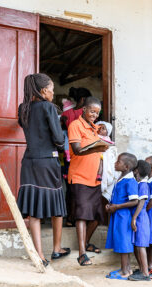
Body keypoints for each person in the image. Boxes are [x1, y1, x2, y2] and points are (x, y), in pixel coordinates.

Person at [16, 73, 69, 267]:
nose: (53, 93)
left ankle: (39, 254)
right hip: (48, 161)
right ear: (45, 90)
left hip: (29, 162)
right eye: (52, 89)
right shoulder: (48, 108)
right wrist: (62, 144)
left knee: (34, 210)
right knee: (57, 205)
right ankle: (56, 248)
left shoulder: (24, 108)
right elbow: (58, 138)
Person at [68, 96, 109, 266]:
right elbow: (76, 151)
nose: (94, 115)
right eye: (92, 111)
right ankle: (82, 254)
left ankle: (85, 243)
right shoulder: (75, 126)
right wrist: (96, 147)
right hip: (80, 177)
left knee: (98, 216)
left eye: (97, 113)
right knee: (82, 215)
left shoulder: (95, 128)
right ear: (83, 109)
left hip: (95, 179)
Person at [104, 153, 139, 280]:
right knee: (121, 241)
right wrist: (110, 205)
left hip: (124, 216)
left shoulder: (130, 181)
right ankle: (127, 268)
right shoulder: (121, 178)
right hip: (118, 215)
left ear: (126, 166)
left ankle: (125, 272)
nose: (115, 163)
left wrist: (116, 207)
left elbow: (135, 201)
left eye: (118, 162)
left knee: (124, 243)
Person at [131, 160, 151, 281]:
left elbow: (142, 202)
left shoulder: (143, 185)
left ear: (136, 171)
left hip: (141, 217)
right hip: (139, 216)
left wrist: (134, 218)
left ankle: (145, 274)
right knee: (138, 246)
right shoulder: (140, 183)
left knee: (141, 246)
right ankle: (142, 269)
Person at [96, 121, 117, 202]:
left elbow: (108, 149)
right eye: (99, 127)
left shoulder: (107, 139)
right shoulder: (93, 136)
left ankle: (99, 175)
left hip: (102, 155)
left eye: (104, 129)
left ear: (108, 132)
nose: (101, 129)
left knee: (102, 162)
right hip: (96, 155)